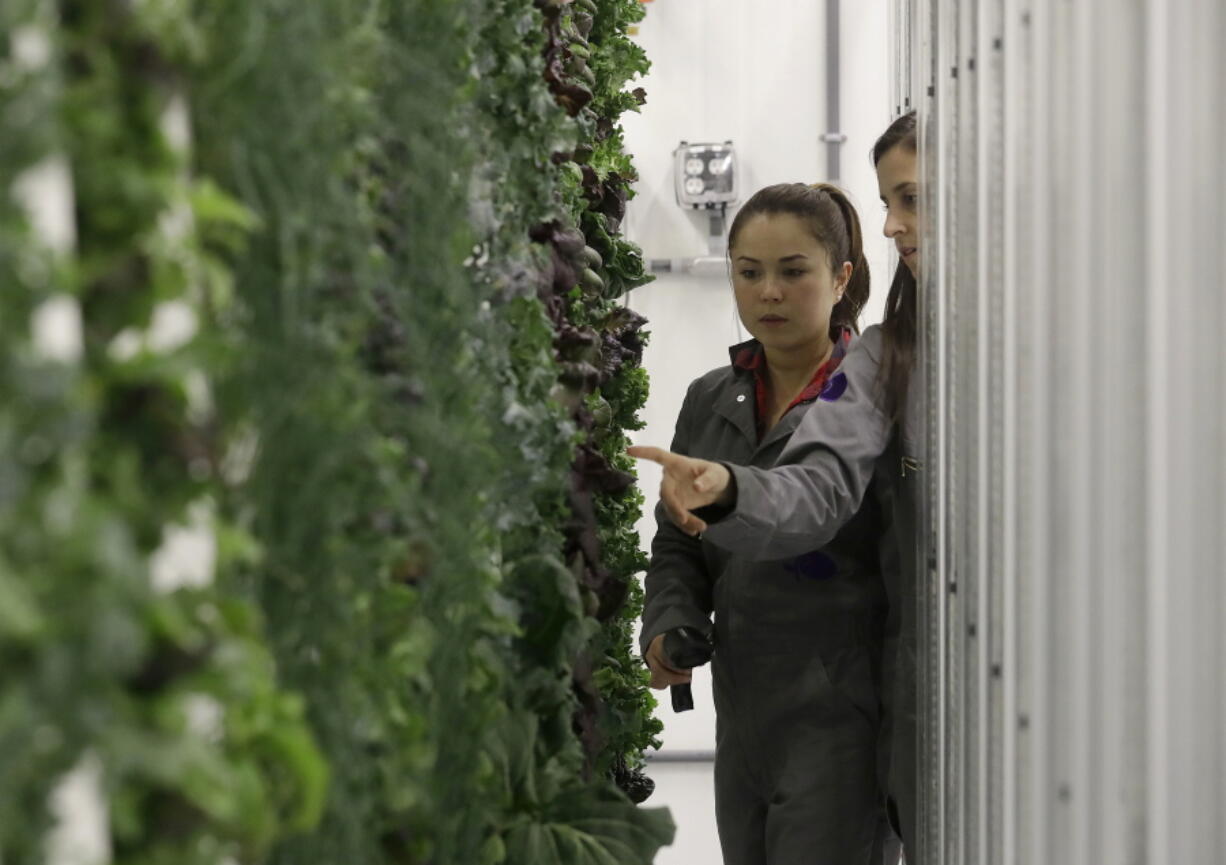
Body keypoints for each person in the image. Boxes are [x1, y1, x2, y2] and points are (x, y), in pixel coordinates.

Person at [632, 111, 922, 861]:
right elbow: (676, 546)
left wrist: (728, 487)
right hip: (744, 717)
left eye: (794, 271)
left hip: (839, 723)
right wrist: (667, 622)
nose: (769, 293)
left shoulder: (869, 390)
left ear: (841, 278)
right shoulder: (710, 397)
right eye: (748, 272)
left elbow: (808, 499)